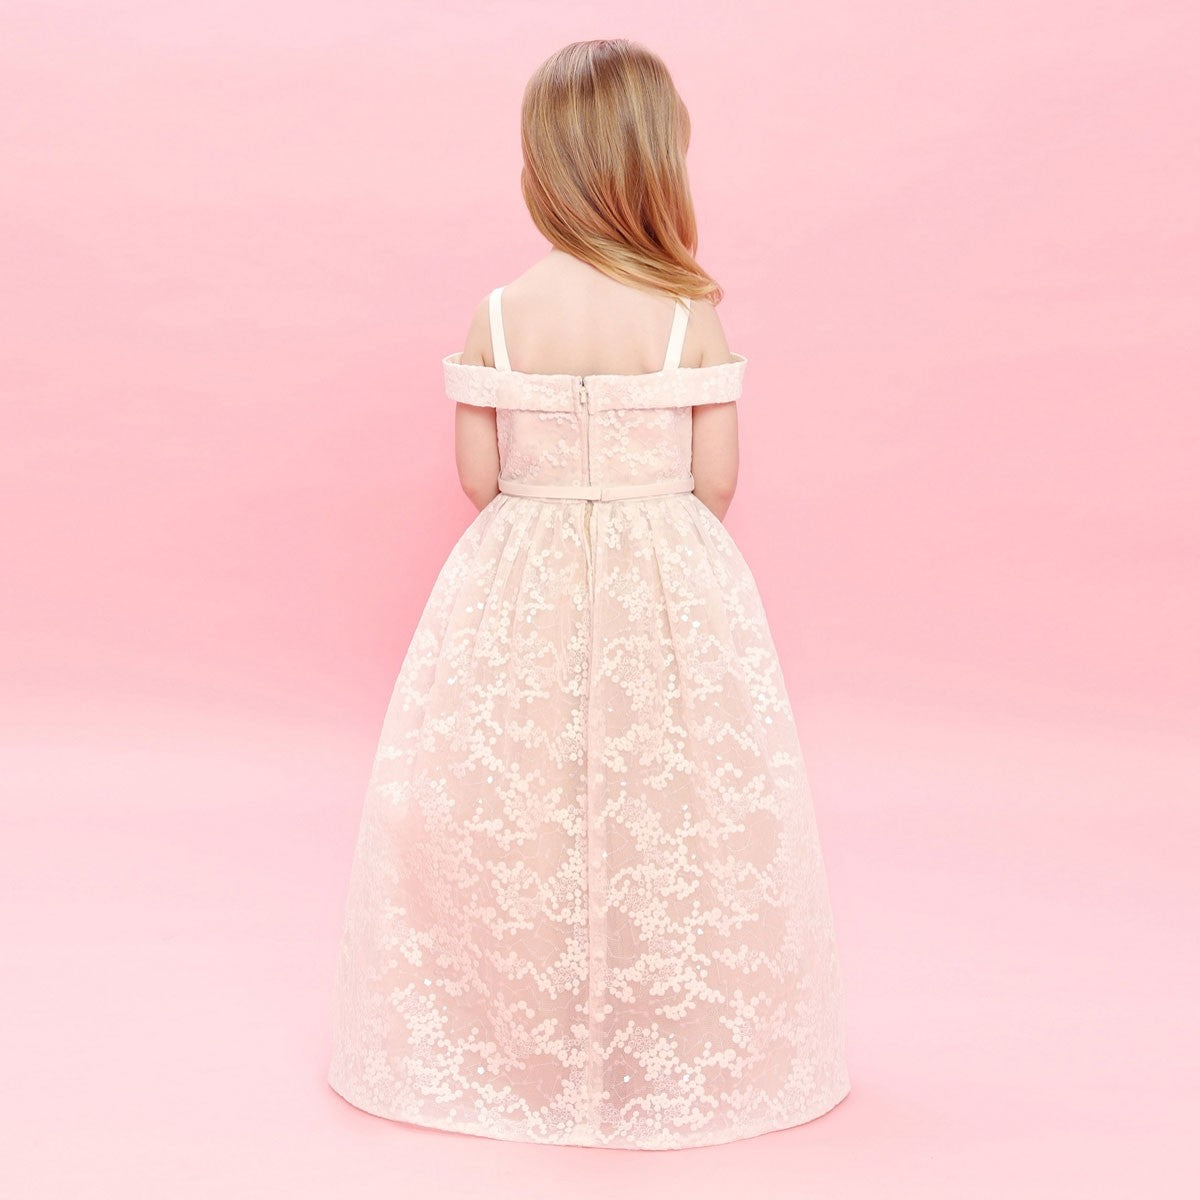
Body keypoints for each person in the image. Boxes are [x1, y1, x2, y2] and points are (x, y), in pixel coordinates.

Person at [327, 37, 851, 1150]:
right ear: (656, 161)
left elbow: (479, 481)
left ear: (543, 165)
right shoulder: (686, 315)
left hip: (521, 579)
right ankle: (651, 1026)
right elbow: (716, 482)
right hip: (666, 578)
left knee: (528, 797)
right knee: (663, 797)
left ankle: (525, 1031)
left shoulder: (499, 314)